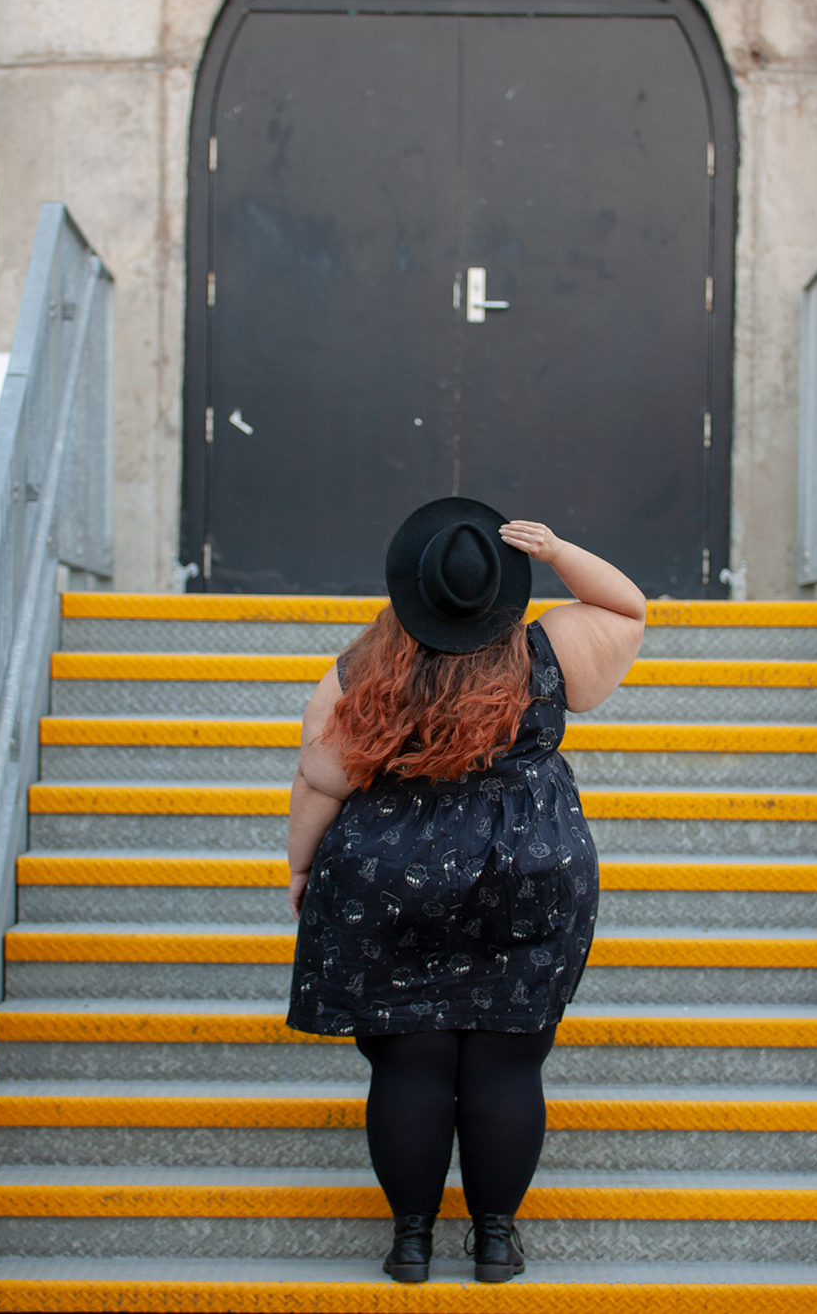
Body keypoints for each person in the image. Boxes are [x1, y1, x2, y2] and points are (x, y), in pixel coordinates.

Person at [286, 498, 646, 1283]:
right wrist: (557, 549)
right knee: (508, 1066)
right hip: (530, 870)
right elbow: (627, 604)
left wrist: (301, 869)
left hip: (388, 877)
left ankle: (411, 1242)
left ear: (411, 588)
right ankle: (493, 1241)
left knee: (409, 1064)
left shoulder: (368, 664)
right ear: (504, 589)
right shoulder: (551, 651)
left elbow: (319, 776)